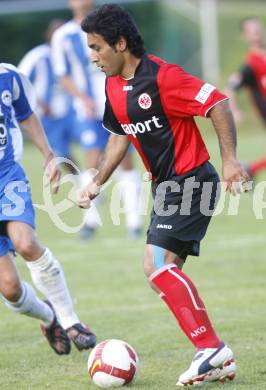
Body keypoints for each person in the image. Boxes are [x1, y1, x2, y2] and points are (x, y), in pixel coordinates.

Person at [77, 4, 250, 386]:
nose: (93, 57)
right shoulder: (113, 84)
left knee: (156, 264)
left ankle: (212, 350)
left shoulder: (163, 77)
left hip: (191, 180)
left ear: (121, 44)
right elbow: (120, 132)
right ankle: (212, 354)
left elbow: (217, 102)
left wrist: (232, 161)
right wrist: (97, 181)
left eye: (97, 47)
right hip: (166, 187)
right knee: (160, 273)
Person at [0, 63, 96, 355]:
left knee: (27, 243)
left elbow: (26, 114)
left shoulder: (7, 76)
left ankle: (71, 321)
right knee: (10, 288)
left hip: (6, 177)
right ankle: (49, 316)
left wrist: (47, 154)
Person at [51, 0, 142, 240]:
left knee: (125, 159)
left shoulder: (109, 29)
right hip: (87, 111)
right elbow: (62, 75)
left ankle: (134, 222)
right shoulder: (63, 36)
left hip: (117, 104)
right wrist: (83, 98)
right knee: (92, 161)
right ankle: (90, 221)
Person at [18, 20, 77, 174]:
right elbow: (18, 82)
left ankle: (96, 177)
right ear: (49, 36)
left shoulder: (71, 54)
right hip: (48, 117)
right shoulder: (37, 57)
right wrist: (39, 102)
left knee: (95, 143)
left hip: (73, 112)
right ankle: (83, 180)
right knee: (62, 152)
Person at [227, 17, 266, 178]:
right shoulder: (250, 66)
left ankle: (251, 169)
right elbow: (230, 88)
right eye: (252, 30)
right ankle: (251, 169)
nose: (257, 33)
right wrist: (234, 111)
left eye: (259, 28)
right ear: (245, 36)